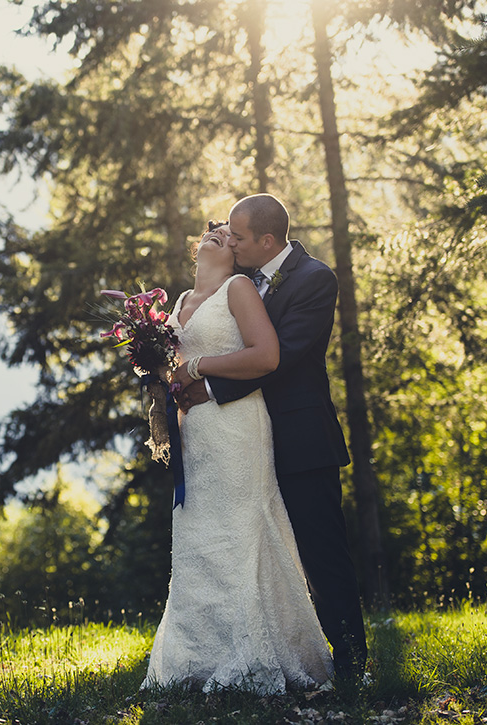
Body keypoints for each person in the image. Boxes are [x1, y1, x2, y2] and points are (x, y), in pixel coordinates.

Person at [178, 193, 368, 680]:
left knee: (320, 551)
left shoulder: (314, 279)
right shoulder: (233, 282)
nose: (230, 241)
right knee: (250, 545)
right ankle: (256, 650)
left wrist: (207, 384)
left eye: (238, 237)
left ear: (267, 240)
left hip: (300, 436)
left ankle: (350, 662)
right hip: (240, 440)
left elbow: (283, 356)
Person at [142, 221, 334, 695]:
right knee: (198, 535)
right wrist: (156, 374)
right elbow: (168, 371)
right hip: (196, 431)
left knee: (242, 527)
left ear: (239, 253)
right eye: (213, 229)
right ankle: (194, 658)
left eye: (228, 234)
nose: (218, 234)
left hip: (236, 424)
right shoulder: (179, 304)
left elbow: (266, 355)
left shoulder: (239, 287)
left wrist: (193, 368)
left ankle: (256, 654)